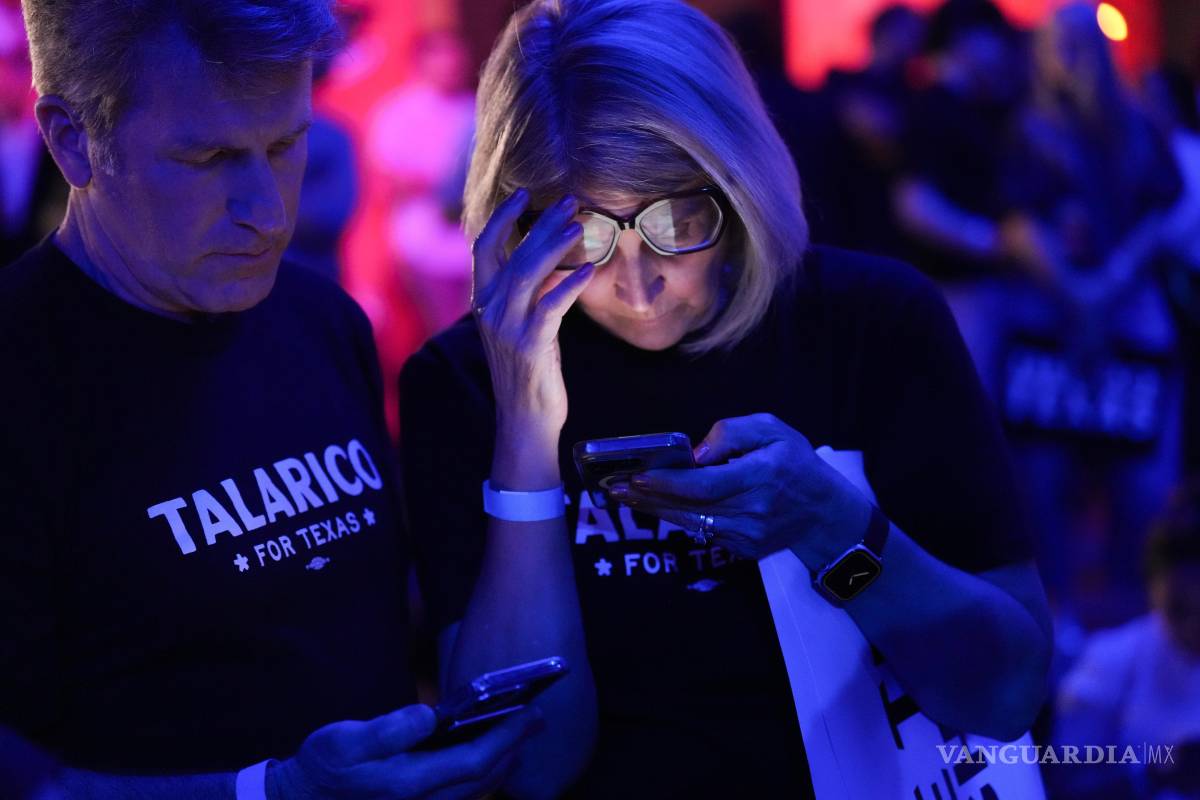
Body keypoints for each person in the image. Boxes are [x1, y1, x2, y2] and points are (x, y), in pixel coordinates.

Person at [399, 0, 1053, 796]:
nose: (637, 286)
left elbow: (1006, 693)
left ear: (738, 185)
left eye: (677, 217)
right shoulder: (465, 378)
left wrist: (830, 526)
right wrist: (526, 441)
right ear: (517, 222)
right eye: (584, 235)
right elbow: (528, 768)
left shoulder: (870, 323)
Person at [0, 1, 593, 798]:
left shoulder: (322, 320)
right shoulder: (24, 372)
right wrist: (272, 793)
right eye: (208, 158)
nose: (268, 212)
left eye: (286, 145)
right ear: (73, 140)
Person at [1052, 479, 1200, 799]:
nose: (1194, 627)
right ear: (1155, 586)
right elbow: (1065, 776)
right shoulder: (1110, 660)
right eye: (1181, 610)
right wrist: (1151, 772)